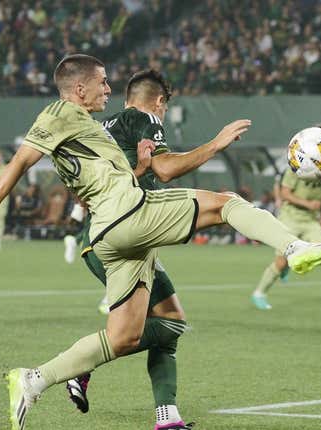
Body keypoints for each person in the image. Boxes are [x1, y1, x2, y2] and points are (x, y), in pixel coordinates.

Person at [0, 54, 321, 430]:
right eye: (102, 82)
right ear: (79, 90)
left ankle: (33, 380)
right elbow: (19, 163)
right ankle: (296, 249)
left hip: (108, 235)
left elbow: (100, 182)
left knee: (128, 336)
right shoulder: (61, 113)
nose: (109, 90)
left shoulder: (89, 129)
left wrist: (139, 167)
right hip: (128, 215)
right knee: (226, 204)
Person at [67, 69, 259, 429]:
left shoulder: (101, 129)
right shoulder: (145, 117)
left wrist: (138, 171)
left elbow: (85, 190)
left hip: (106, 239)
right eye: (165, 109)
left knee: (170, 321)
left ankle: (167, 416)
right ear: (159, 102)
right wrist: (215, 145)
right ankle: (80, 363)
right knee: (165, 325)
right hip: (120, 243)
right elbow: (166, 169)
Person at [250, 125, 321, 311]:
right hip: (290, 217)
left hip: (310, 220)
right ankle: (259, 293)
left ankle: (293, 260)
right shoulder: (297, 166)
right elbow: (285, 193)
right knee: (281, 262)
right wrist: (307, 204)